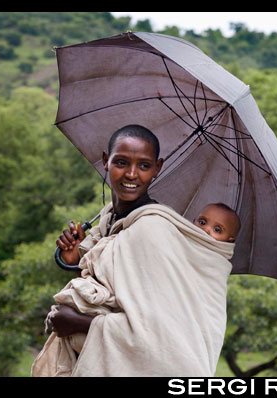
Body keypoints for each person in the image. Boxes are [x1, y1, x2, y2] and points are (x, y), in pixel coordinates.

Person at [31, 124, 236, 377]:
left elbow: (159, 336)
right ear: (105, 161)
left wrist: (78, 323)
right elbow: (109, 298)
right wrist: (76, 261)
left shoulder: (152, 229)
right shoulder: (108, 221)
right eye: (121, 162)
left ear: (157, 168)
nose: (131, 174)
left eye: (144, 166)